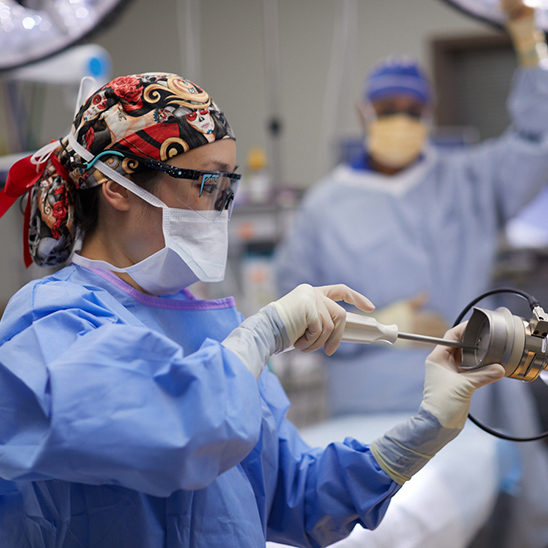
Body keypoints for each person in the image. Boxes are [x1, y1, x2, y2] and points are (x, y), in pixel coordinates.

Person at [0, 72, 504, 547]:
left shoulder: (211, 327)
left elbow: (299, 498)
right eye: (205, 185)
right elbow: (181, 435)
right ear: (116, 186)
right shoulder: (52, 322)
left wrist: (422, 432)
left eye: (227, 190)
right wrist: (263, 334)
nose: (221, 208)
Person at [273, 1, 548, 547]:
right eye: (388, 106)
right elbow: (287, 315)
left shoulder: (469, 178)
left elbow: (538, 142)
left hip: (473, 401)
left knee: (512, 524)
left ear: (430, 112)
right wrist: (371, 323)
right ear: (363, 113)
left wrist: (527, 40)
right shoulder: (325, 208)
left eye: (412, 107)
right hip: (367, 406)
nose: (400, 116)